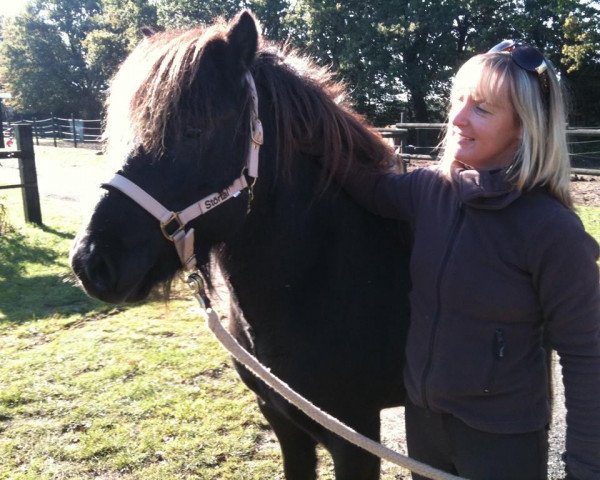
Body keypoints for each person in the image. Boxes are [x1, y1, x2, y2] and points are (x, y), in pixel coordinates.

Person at [334, 40, 600, 479]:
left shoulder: (552, 231)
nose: (457, 118)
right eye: (457, 99)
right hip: (423, 425)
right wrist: (300, 114)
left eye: (482, 108)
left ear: (523, 127)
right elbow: (363, 183)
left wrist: (587, 468)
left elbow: (585, 355)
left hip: (502, 440)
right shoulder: (429, 191)